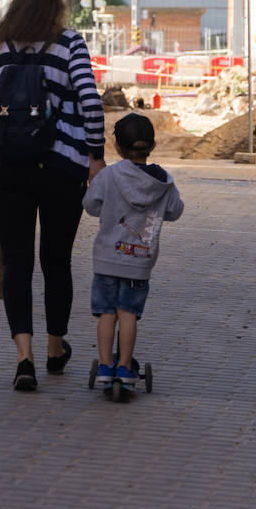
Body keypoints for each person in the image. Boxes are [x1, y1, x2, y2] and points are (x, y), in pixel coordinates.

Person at [0, 0, 105, 391]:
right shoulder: (69, 43)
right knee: (56, 261)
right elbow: (89, 101)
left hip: (6, 167)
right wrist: (96, 157)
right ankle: (54, 347)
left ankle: (23, 358)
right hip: (62, 166)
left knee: (16, 263)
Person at [82, 113, 183, 390]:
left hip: (106, 260)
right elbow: (175, 211)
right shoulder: (163, 180)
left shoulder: (109, 176)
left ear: (117, 147)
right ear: (151, 146)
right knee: (128, 313)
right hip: (139, 262)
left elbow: (90, 205)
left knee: (107, 313)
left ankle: (105, 365)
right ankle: (125, 366)